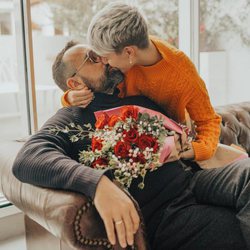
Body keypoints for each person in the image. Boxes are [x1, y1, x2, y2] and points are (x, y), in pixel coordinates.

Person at [12, 41, 250, 250]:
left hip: (194, 180)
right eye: (93, 58)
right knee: (233, 229)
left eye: (101, 53)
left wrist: (180, 141)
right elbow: (28, 157)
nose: (105, 59)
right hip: (167, 213)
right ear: (74, 84)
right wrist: (98, 184)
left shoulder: (137, 97)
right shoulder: (72, 118)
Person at [61, 2, 222, 162]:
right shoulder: (123, 57)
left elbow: (209, 120)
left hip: (169, 153)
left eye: (106, 57)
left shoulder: (182, 72)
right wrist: (69, 98)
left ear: (129, 52)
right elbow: (96, 88)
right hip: (127, 149)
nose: (104, 62)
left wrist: (197, 149)